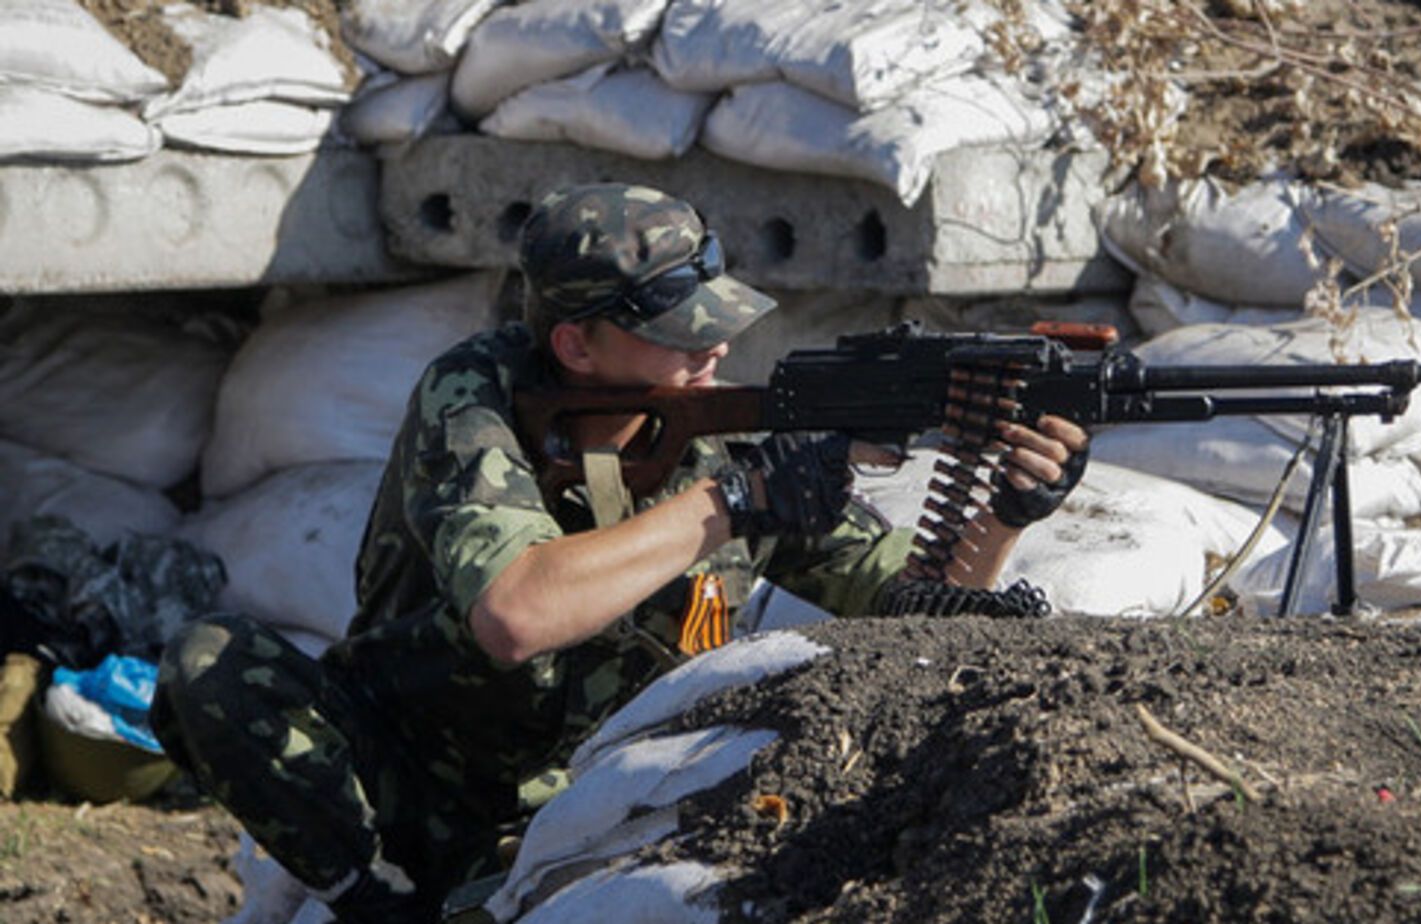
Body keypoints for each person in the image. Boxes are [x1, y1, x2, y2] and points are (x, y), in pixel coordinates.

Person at [150, 184, 1090, 923]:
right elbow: (516, 614)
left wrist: (1005, 514)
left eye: (719, 322)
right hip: (409, 775)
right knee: (212, 666)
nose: (714, 350)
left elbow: (915, 611)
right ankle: (383, 906)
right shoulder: (477, 398)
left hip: (595, 807)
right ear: (577, 344)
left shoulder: (717, 433)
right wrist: (730, 505)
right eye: (679, 334)